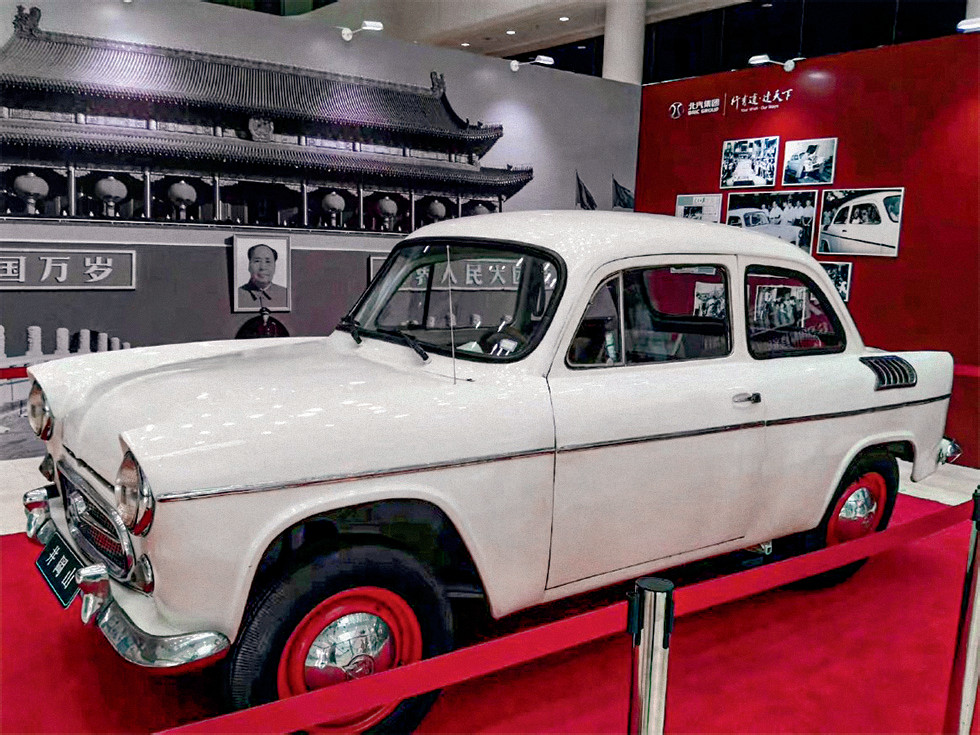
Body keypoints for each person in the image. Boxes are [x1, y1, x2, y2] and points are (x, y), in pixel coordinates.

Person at [238, 243, 288, 309]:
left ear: (274, 267)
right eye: (257, 261)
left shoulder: (286, 294)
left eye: (268, 261)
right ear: (249, 266)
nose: (263, 267)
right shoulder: (237, 295)